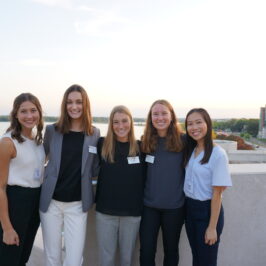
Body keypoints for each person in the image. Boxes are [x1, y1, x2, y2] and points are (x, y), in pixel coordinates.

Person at [39, 84, 100, 266]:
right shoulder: (52, 130)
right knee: (52, 256)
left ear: (85, 104)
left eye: (79, 102)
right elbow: (39, 158)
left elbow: (96, 167)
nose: (74, 106)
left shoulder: (94, 133)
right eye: (70, 102)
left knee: (74, 259)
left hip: (78, 204)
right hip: (51, 202)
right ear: (64, 105)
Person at [95, 105, 146, 266]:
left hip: (132, 214)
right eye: (116, 122)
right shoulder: (101, 144)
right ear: (111, 124)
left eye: (124, 121)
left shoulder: (141, 148)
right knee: (106, 259)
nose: (120, 126)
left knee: (126, 259)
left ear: (131, 122)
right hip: (105, 212)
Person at [0, 93, 45, 266]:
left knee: (22, 258)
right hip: (14, 204)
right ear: (16, 115)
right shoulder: (7, 142)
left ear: (39, 113)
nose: (29, 116)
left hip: (34, 205)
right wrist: (7, 227)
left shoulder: (37, 141)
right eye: (23, 111)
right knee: (8, 258)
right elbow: (0, 187)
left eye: (33, 110)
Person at [183, 108, 232, 266]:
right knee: (197, 258)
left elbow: (217, 194)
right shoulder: (192, 149)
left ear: (208, 124)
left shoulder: (218, 154)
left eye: (198, 122)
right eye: (190, 124)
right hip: (190, 209)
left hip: (207, 213)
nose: (194, 127)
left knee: (207, 261)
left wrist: (212, 228)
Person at [140, 99, 185, 266]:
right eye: (155, 114)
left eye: (164, 113)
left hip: (175, 208)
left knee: (171, 250)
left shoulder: (184, 141)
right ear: (150, 118)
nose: (160, 117)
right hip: (149, 207)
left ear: (172, 116)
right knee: (146, 250)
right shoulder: (145, 141)